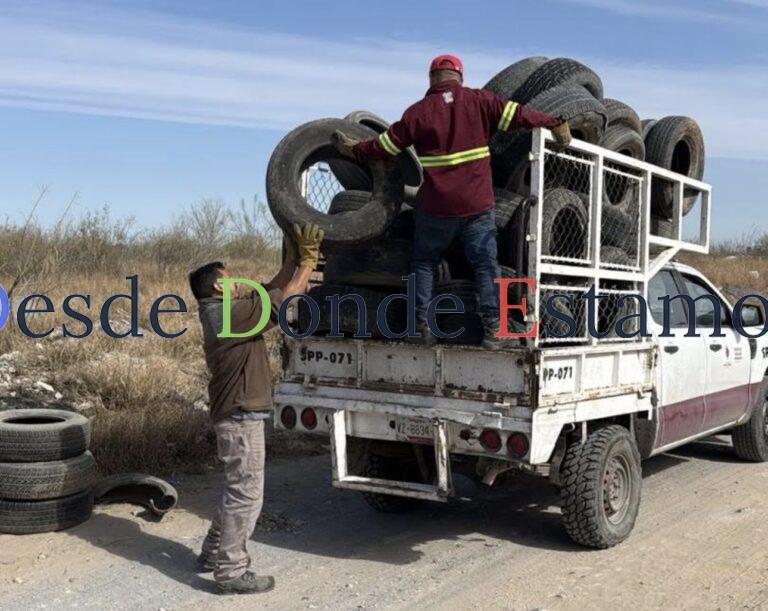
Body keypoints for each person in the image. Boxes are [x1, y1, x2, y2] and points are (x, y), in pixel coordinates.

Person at [333, 54, 571, 349]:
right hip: (476, 207)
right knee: (485, 265)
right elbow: (522, 115)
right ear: (459, 76)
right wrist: (555, 123)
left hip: (436, 209)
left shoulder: (417, 113)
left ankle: (422, 329)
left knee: (423, 264)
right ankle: (493, 330)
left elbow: (384, 146)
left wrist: (354, 150)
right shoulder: (481, 101)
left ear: (432, 79)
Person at [189, 223, 324, 595]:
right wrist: (309, 262)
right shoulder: (228, 316)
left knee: (238, 487)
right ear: (219, 287)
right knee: (246, 493)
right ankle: (231, 570)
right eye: (230, 279)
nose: (237, 282)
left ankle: (213, 552)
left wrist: (294, 255)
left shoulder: (228, 310)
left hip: (235, 413)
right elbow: (287, 296)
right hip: (240, 415)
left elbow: (272, 287)